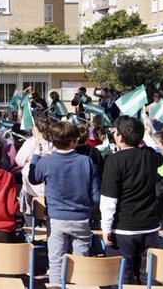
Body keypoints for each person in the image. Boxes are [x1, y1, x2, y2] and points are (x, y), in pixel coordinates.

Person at [29, 122, 100, 285]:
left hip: (56, 219)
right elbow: (96, 196)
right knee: (81, 261)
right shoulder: (86, 162)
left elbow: (33, 177)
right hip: (81, 218)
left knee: (55, 261)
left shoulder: (46, 162)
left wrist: (35, 155)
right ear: (75, 141)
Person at [101, 116, 163, 285]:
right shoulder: (150, 155)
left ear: (120, 136)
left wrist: (105, 227)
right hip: (150, 227)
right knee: (148, 276)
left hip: (123, 230)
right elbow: (159, 152)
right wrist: (148, 136)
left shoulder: (114, 160)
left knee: (122, 277)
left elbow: (109, 199)